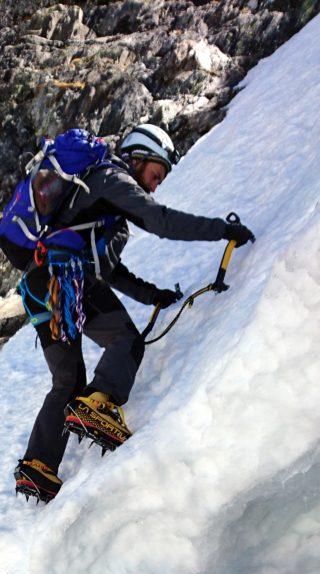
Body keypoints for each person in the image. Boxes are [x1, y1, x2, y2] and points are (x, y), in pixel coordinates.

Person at [14, 123, 255, 503]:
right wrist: (221, 231)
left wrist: (151, 294)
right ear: (138, 157)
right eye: (156, 174)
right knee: (126, 341)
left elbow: (109, 271)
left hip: (38, 287)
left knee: (67, 379)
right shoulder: (112, 179)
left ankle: (38, 466)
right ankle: (100, 404)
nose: (156, 185)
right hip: (66, 278)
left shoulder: (102, 208)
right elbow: (161, 221)